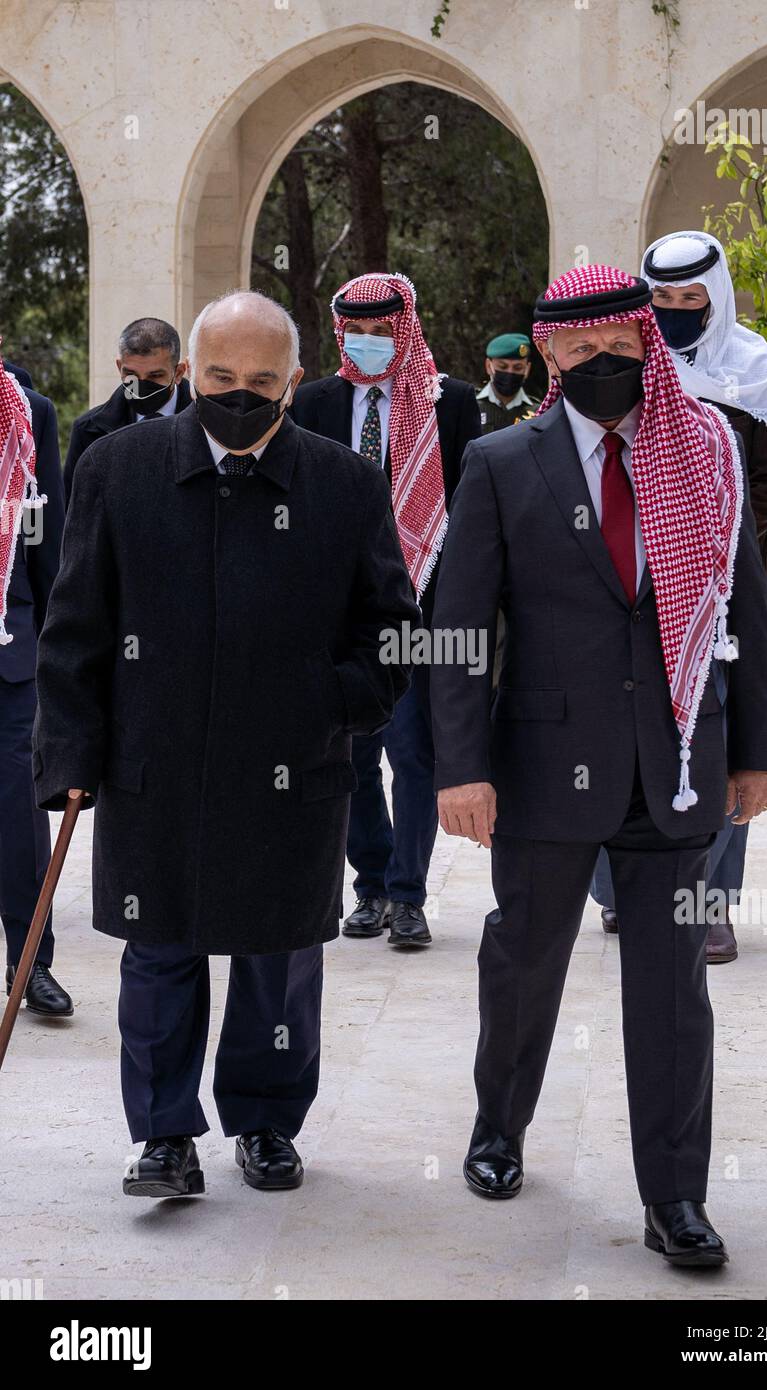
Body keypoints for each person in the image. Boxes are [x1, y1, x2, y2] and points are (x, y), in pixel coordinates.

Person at [430, 264, 767, 1266]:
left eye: (619, 349)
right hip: (545, 768)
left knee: (670, 986)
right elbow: (458, 627)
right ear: (546, 352)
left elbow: (739, 609)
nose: (601, 366)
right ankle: (498, 1122)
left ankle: (674, 1199)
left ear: (645, 344)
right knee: (524, 958)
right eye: (578, 351)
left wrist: (755, 748)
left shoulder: (703, 450)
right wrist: (459, 766)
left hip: (675, 765)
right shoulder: (502, 461)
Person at [33, 290, 417, 1198]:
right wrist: (71, 757)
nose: (237, 394)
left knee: (277, 957)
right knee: (158, 952)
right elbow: (75, 624)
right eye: (219, 377)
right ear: (188, 373)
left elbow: (395, 633)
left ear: (292, 383)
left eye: (260, 380)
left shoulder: (346, 482)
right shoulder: (116, 468)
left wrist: (329, 700)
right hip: (152, 765)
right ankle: (164, 1135)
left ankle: (267, 1122)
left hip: (293, 774)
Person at [591, 231, 767, 962]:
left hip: (723, 587)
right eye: (664, 300)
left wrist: (710, 533)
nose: (676, 312)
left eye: (690, 299)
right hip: (629, 579)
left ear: (716, 296)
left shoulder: (752, 367)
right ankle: (618, 894)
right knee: (623, 727)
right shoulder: (627, 363)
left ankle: (710, 906)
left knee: (719, 736)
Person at [292, 272, 481, 948]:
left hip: (418, 606)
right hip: (339, 613)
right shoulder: (312, 403)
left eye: (382, 332)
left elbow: (470, 509)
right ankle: (369, 886)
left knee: (413, 750)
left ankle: (409, 897)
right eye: (357, 333)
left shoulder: (448, 402)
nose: (370, 344)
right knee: (353, 755)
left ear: (405, 329)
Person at [0, 348, 70, 1016]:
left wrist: (60, 642)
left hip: (11, 648)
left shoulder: (30, 412)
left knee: (19, 818)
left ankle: (30, 965)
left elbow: (43, 530)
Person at [63, 317, 192, 502]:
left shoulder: (208, 422)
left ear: (178, 372)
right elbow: (74, 508)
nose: (141, 384)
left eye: (155, 376)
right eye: (131, 374)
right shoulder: (88, 431)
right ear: (119, 367)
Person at [476, 333, 538, 433]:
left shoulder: (538, 413)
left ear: (527, 369)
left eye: (518, 368)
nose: (510, 372)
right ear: (488, 366)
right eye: (502, 367)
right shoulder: (471, 405)